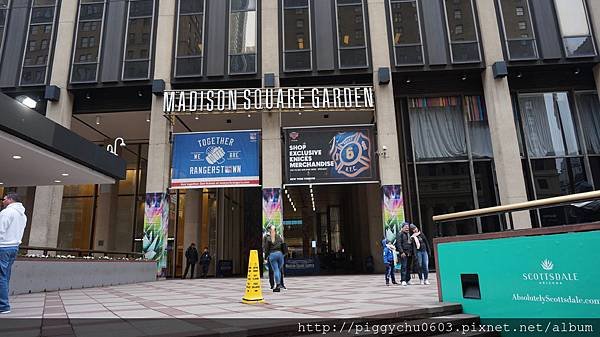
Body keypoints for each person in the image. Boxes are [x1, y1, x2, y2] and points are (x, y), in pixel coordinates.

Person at [0, 193, 27, 314]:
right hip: (13, 247)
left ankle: (3, 306)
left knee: (1, 277)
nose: (3, 201)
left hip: (3, 247)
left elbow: (0, 229)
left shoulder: (7, 212)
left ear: (10, 200)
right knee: (5, 276)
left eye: (4, 199)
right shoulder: (22, 215)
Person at [262, 224, 285, 292]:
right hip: (280, 255)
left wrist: (265, 257)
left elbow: (266, 248)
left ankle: (277, 285)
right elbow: (283, 245)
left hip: (272, 255)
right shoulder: (279, 237)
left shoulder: (268, 238)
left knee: (276, 270)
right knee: (279, 270)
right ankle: (279, 284)